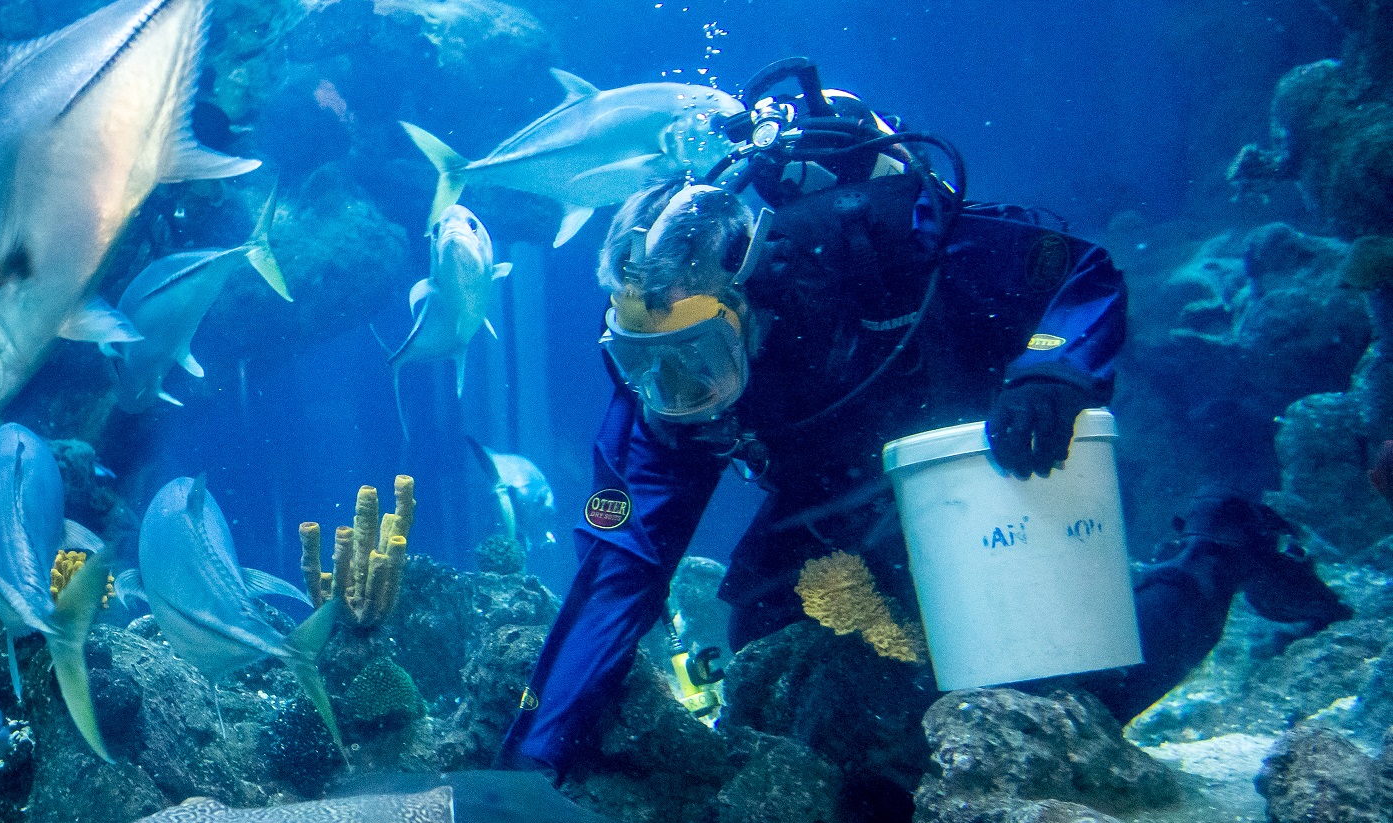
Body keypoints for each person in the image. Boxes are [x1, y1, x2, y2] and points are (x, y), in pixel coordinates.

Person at [493, 58, 1350, 780]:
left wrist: (1052, 367)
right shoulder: (666, 383)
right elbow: (618, 574)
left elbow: (1078, 272)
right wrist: (532, 769)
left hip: (975, 453)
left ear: (746, 298)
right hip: (829, 492)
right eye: (644, 367)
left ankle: (1221, 543)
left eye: (696, 359)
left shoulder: (867, 241)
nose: (676, 389)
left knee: (1058, 709)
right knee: (773, 702)